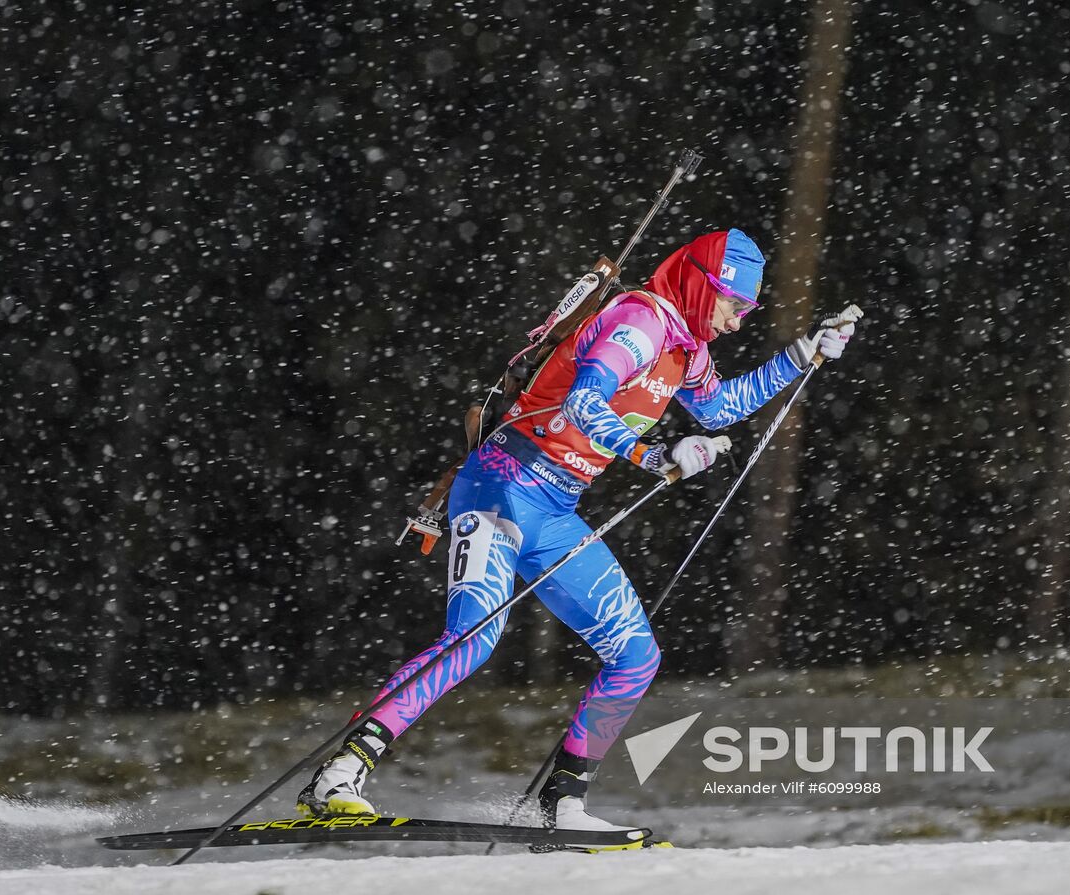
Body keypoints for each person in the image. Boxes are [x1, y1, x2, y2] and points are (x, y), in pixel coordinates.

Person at [298, 228, 858, 833]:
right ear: (700, 284)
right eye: (732, 304)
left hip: (554, 510)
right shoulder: (640, 323)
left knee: (636, 656)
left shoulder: (687, 348)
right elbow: (583, 405)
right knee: (474, 638)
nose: (736, 322)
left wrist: (802, 354)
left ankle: (562, 803)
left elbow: (719, 408)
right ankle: (336, 776)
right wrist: (653, 454)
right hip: (500, 487)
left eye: (747, 311)